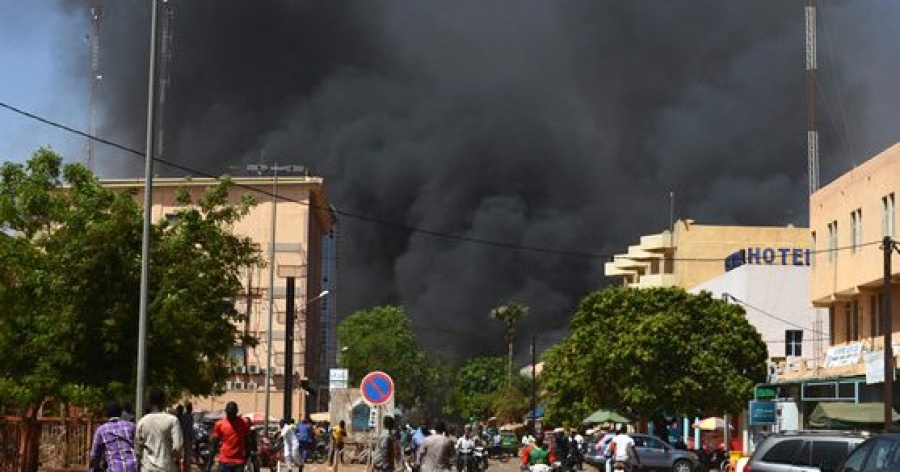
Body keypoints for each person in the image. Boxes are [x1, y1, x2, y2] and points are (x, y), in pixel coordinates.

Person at [135, 388, 183, 472]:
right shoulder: (172, 420)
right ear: (164, 402)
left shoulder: (142, 421)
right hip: (166, 467)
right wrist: (175, 459)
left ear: (150, 403)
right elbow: (177, 447)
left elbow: (138, 449)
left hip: (147, 468)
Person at [90, 400, 138, 472]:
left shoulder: (101, 430)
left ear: (106, 414)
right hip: (133, 467)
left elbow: (95, 455)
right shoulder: (131, 426)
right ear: (120, 413)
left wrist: (95, 468)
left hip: (114, 468)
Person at [211, 401, 252, 472]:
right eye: (229, 413)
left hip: (238, 462)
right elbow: (214, 445)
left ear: (236, 412)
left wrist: (246, 457)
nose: (230, 415)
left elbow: (247, 441)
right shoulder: (219, 424)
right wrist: (209, 463)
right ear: (226, 412)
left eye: (233, 413)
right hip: (224, 461)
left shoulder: (243, 423)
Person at [176, 403, 195, 472]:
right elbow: (189, 428)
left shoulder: (180, 417)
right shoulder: (188, 416)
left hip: (181, 438)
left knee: (182, 456)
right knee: (186, 456)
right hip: (186, 438)